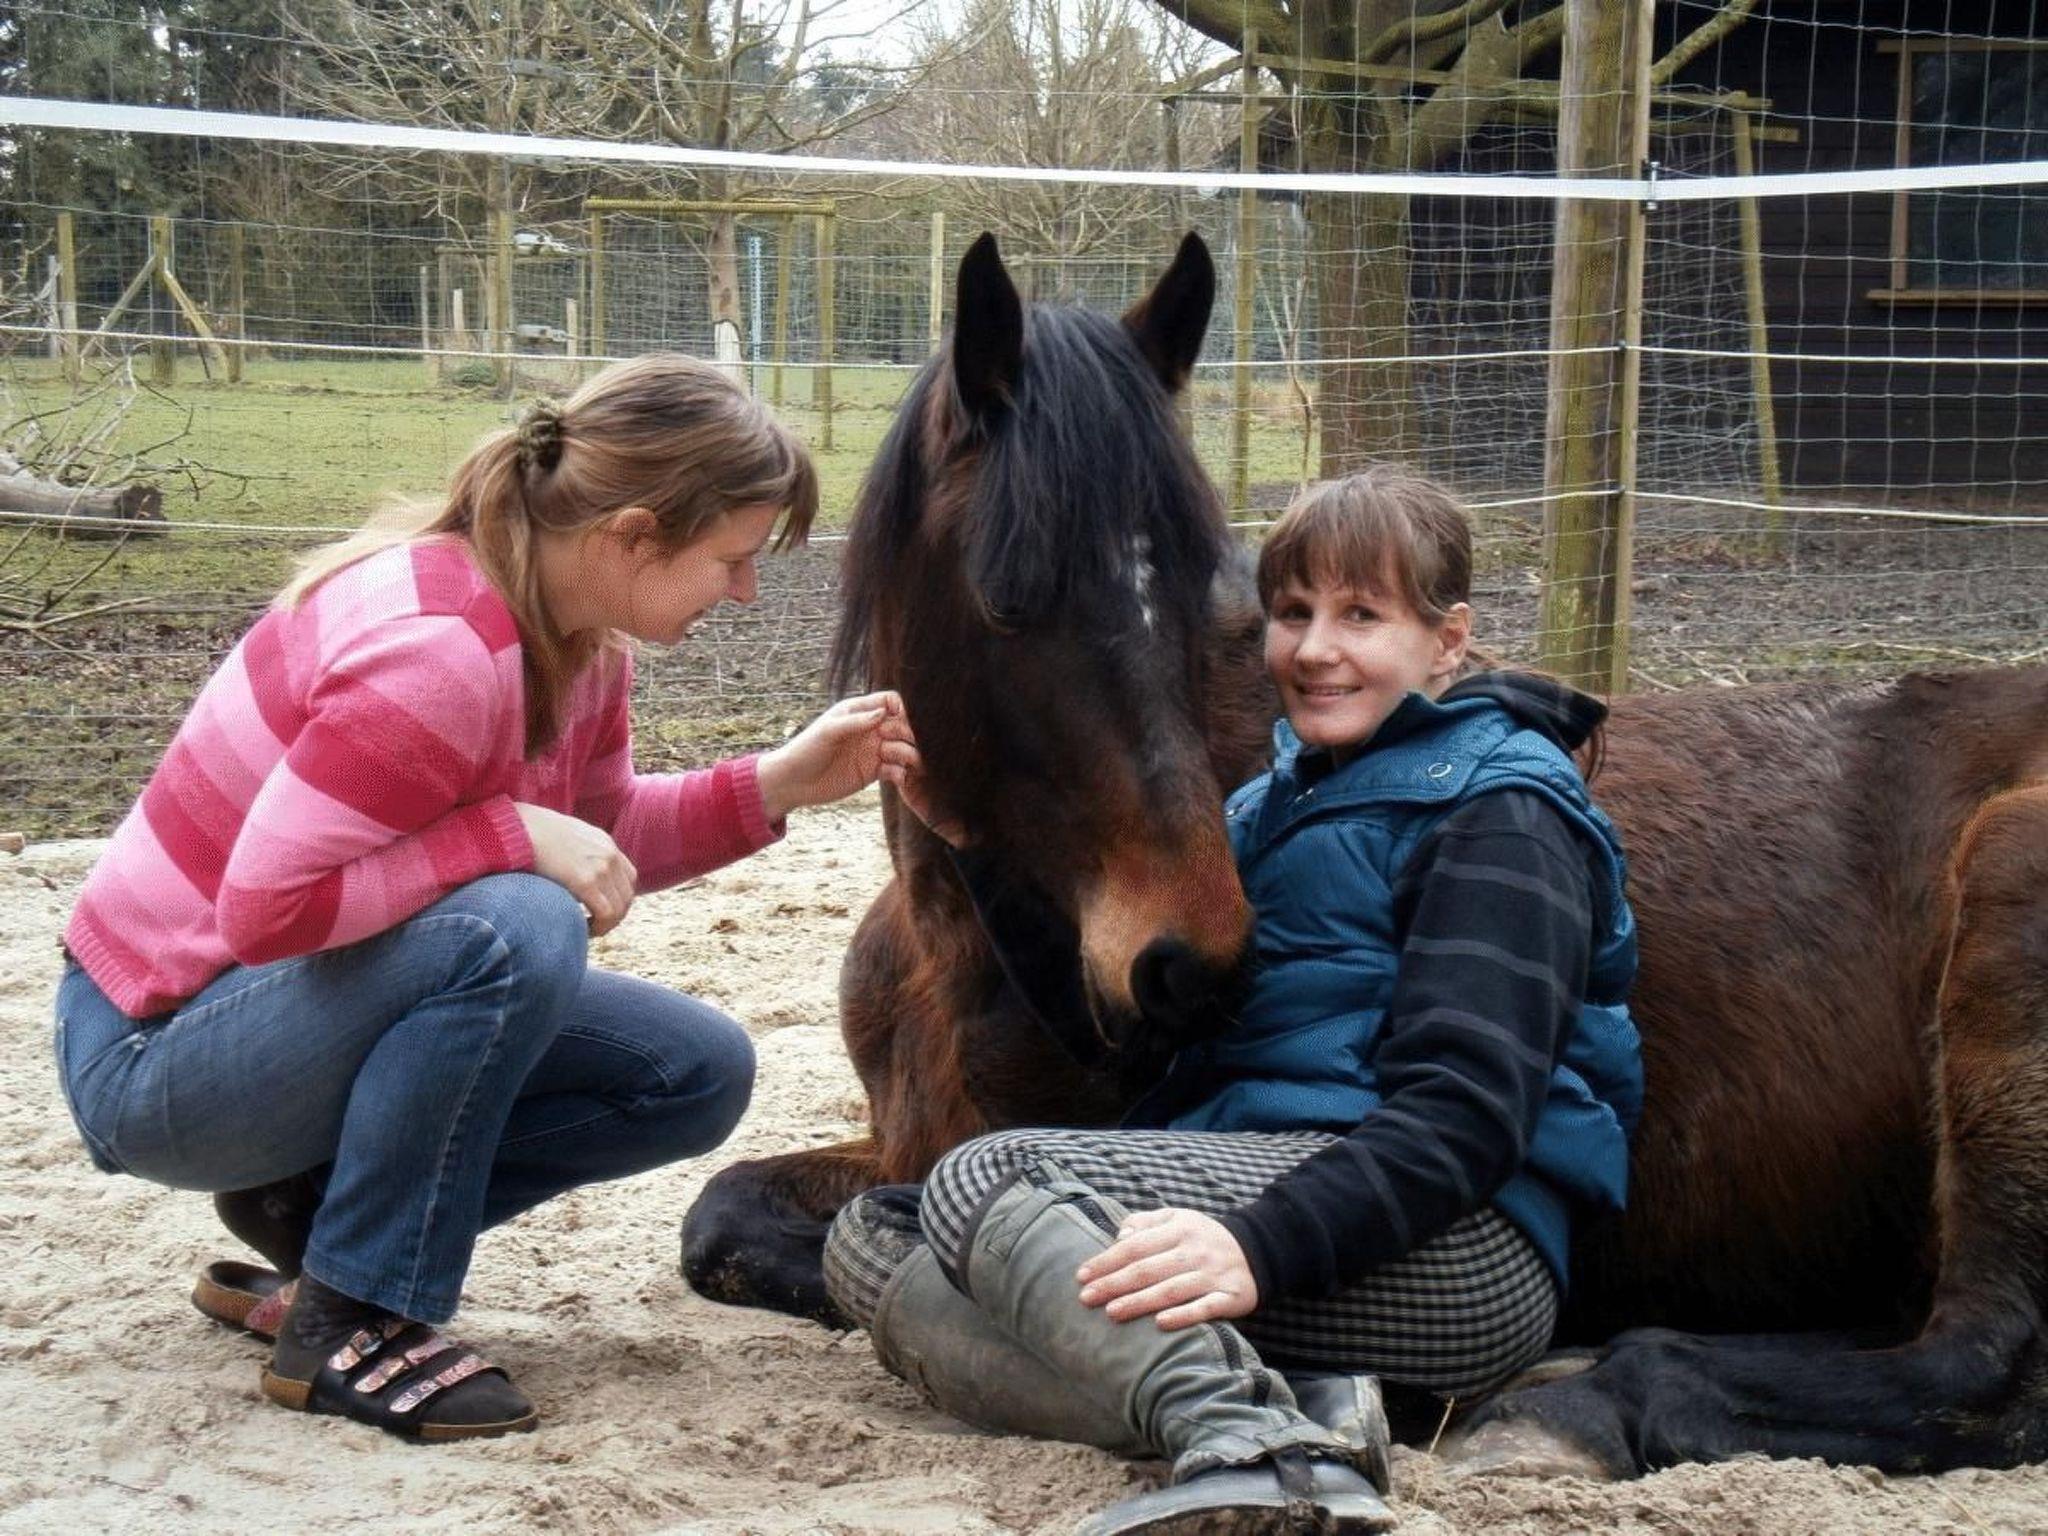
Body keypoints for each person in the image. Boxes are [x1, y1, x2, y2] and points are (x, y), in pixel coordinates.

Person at [51, 355, 923, 1443]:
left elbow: (600, 839)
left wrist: (778, 782)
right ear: (633, 534)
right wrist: (508, 835)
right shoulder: (438, 656)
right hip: (155, 1052)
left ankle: (310, 1215)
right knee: (515, 927)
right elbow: (267, 909)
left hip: (270, 1016)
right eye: (732, 559)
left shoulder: (574, 645)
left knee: (690, 1068)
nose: (743, 591)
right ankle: (349, 1318)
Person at [822, 466, 1642, 1534]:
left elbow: (1467, 1117)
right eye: (1292, 613)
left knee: (991, 1177)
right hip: (1280, 1196)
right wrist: (973, 846)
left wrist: (1256, 1245)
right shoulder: (1269, 806)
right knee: (874, 1235)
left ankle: (1249, 1442)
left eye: (1361, 615)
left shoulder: (1503, 809)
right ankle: (1307, 1412)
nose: (1315, 649)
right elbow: (1125, 1055)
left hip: (1455, 1245)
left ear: (1446, 641)